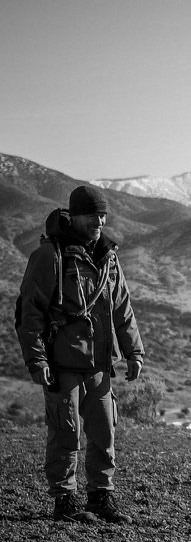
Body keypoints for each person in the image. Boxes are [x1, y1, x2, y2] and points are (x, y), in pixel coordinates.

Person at [15, 185, 145, 524]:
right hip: (62, 364)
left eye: (102, 215)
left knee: (104, 433)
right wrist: (37, 359)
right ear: (73, 217)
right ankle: (65, 501)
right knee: (66, 433)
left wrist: (134, 352)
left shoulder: (109, 257)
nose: (99, 221)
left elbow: (123, 308)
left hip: (100, 365)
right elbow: (30, 313)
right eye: (92, 215)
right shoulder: (50, 256)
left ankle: (101, 497)